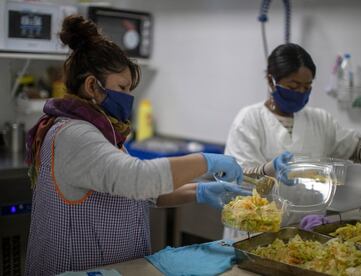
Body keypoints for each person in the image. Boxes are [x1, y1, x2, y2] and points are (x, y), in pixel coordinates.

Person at [24, 15, 247, 275]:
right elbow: (137, 178)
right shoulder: (73, 134)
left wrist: (199, 191)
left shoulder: (101, 131)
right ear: (91, 86)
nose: (129, 98)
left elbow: (140, 191)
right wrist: (206, 160)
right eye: (122, 87)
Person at [223, 43, 361, 240]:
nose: (301, 92)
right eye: (293, 86)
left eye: (307, 87)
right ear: (271, 80)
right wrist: (269, 170)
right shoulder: (249, 120)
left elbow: (354, 145)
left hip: (305, 230)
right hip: (255, 232)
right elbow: (238, 180)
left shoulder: (320, 120)